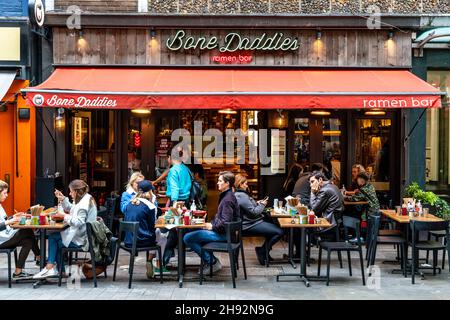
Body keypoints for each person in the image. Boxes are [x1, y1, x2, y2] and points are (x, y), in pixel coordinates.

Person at [33, 180, 97, 279]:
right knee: (55, 239)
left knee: (54, 238)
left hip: (83, 240)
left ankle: (49, 267)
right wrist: (63, 199)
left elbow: (79, 222)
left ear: (76, 191)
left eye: (71, 191)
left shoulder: (83, 204)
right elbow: (73, 209)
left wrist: (64, 216)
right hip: (84, 236)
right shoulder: (86, 198)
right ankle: (59, 271)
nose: (70, 194)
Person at [183, 171, 240, 275]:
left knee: (187, 238)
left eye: (220, 181)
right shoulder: (226, 196)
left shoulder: (227, 200)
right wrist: (209, 225)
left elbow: (225, 222)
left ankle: (212, 262)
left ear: (227, 183)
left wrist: (212, 226)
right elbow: (221, 218)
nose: (217, 183)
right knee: (192, 230)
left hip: (225, 235)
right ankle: (209, 260)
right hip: (224, 233)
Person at [234, 174, 283, 265]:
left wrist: (257, 202)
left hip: (249, 223)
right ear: (240, 184)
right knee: (279, 231)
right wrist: (263, 204)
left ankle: (264, 253)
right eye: (245, 184)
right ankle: (262, 251)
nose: (247, 185)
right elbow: (255, 212)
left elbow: (247, 207)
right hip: (249, 225)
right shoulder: (241, 196)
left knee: (273, 229)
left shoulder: (239, 195)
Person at [124, 180, 167, 278]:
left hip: (128, 241)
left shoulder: (130, 204)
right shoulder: (150, 206)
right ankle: (157, 264)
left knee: (157, 235)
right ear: (150, 192)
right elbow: (152, 226)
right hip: (142, 241)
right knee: (163, 238)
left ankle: (151, 261)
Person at [0, 180, 40, 279]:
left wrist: (13, 217)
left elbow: (3, 221)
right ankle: (40, 258)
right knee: (26, 230)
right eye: (4, 193)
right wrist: (10, 221)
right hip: (1, 240)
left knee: (28, 240)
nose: (6, 195)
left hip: (5, 236)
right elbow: (4, 224)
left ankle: (18, 272)